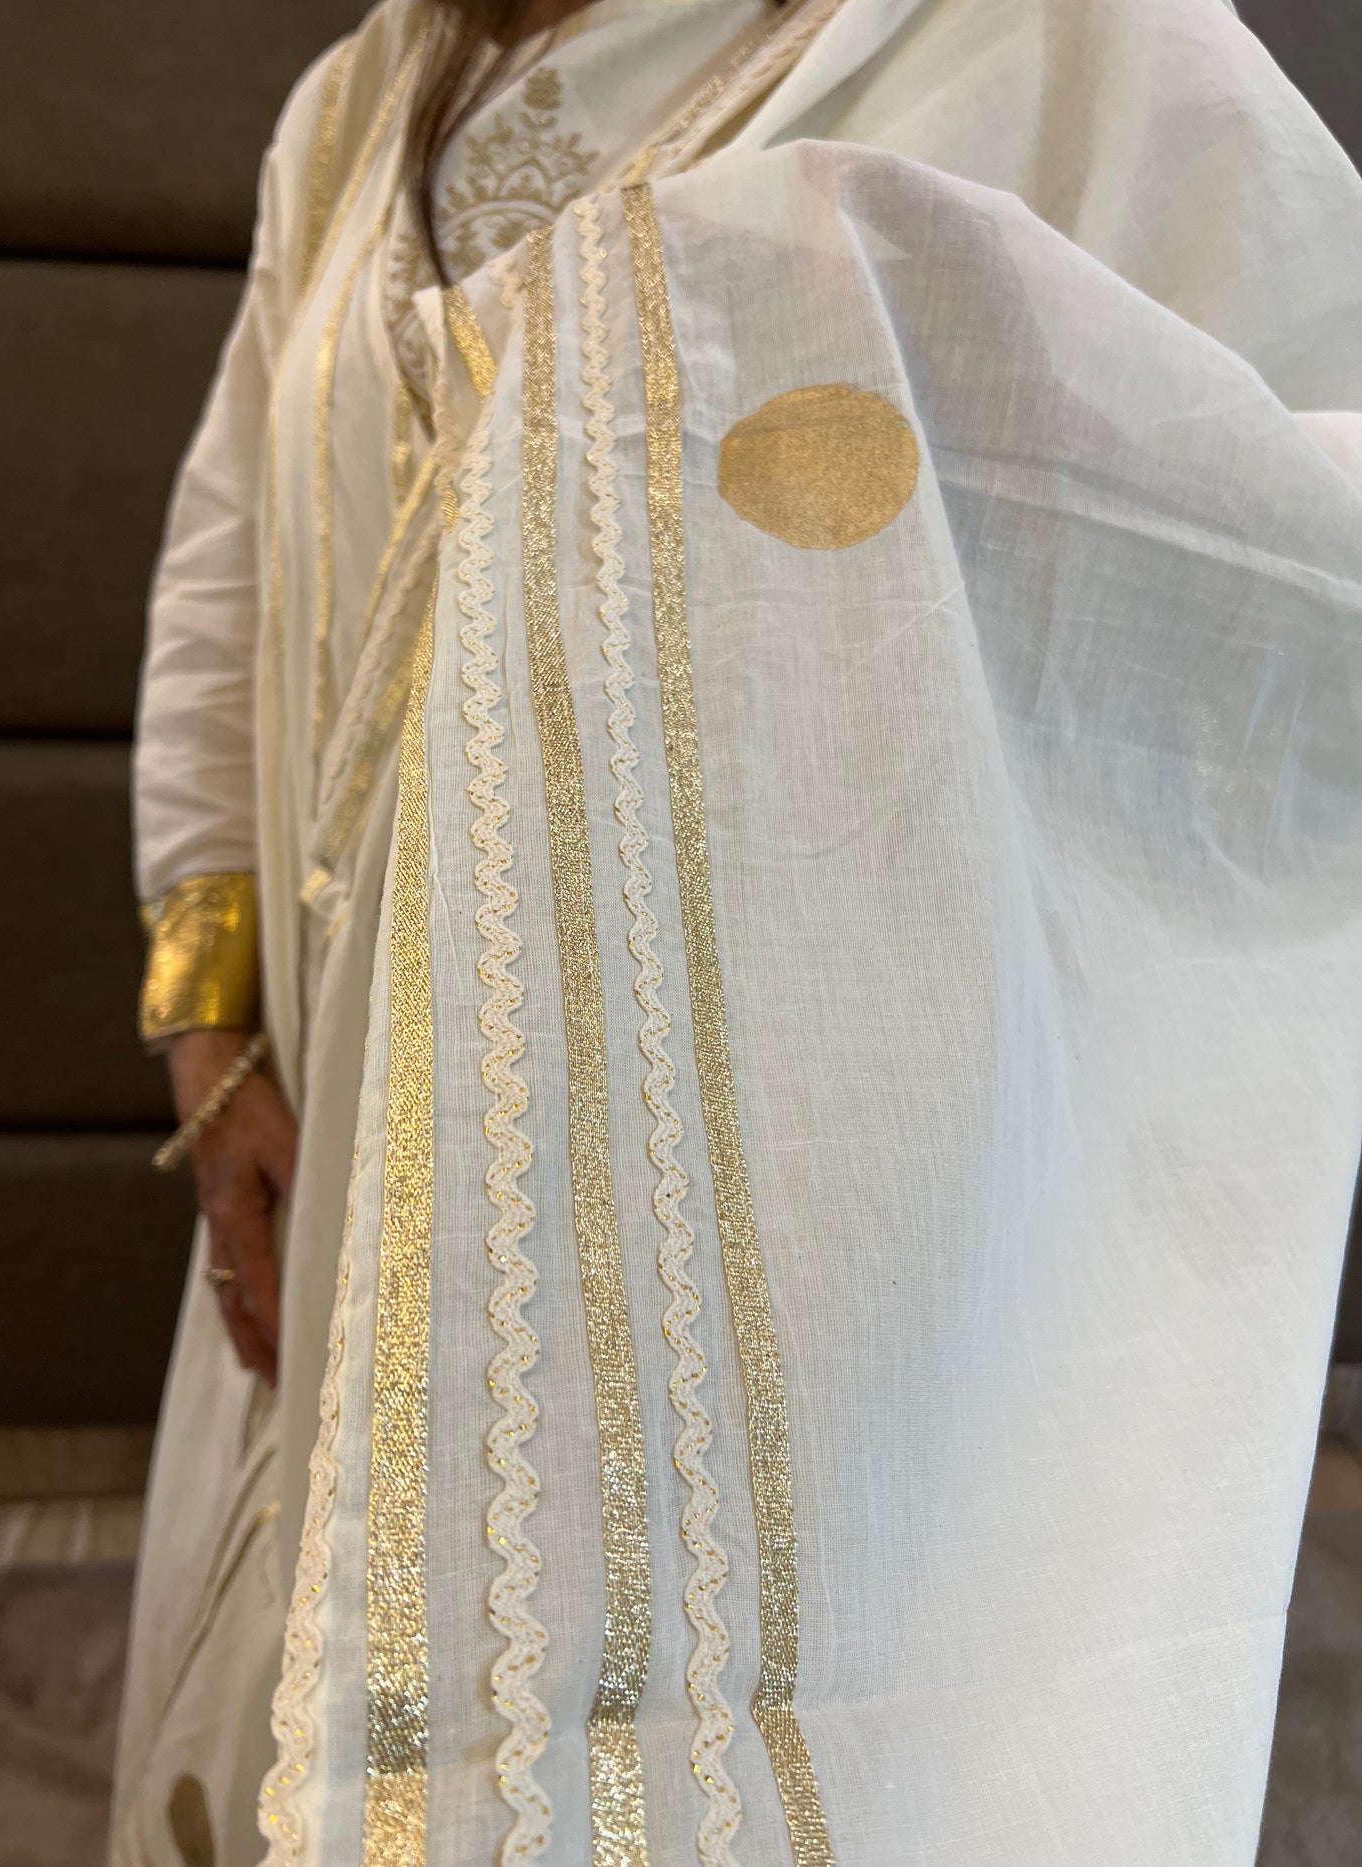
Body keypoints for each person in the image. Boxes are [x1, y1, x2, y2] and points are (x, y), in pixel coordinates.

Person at [112, 0, 1362, 1862]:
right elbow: (232, 557)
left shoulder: (1069, 41)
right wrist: (210, 1035)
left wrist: (869, 342)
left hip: (803, 1211)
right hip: (356, 1119)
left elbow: (1305, 573)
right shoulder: (361, 100)